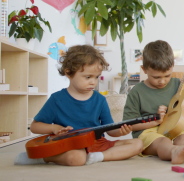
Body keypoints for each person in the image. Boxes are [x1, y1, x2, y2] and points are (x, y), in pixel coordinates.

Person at [15, 45, 143, 166]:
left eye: (96, 77)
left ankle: (98, 157)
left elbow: (109, 130)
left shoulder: (100, 99)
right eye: (88, 77)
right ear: (69, 73)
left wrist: (121, 131)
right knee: (76, 158)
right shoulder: (57, 99)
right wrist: (55, 128)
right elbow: (35, 126)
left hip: (97, 143)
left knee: (138, 144)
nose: (93, 82)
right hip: (69, 145)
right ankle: (42, 157)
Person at [123, 40, 184, 164]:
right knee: (163, 142)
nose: (162, 81)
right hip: (149, 132)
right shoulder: (136, 92)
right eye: (156, 77)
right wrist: (154, 121)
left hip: (176, 128)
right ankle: (173, 152)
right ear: (144, 69)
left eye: (167, 76)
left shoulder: (178, 85)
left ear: (173, 66)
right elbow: (130, 125)